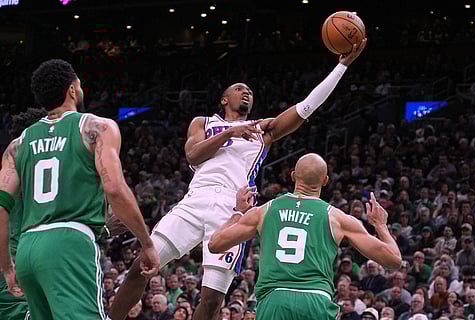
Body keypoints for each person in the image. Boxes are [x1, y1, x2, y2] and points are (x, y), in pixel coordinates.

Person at [109, 40, 367, 320]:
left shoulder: (261, 130)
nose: (246, 93)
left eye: (251, 92)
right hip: (195, 201)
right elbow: (193, 155)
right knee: (142, 265)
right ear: (224, 99)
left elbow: (307, 107)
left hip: (231, 210)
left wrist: (341, 66)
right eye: (239, 89)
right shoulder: (203, 122)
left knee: (211, 300)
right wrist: (229, 133)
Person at [0, 59, 160, 320]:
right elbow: (115, 188)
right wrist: (146, 241)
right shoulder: (96, 127)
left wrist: (7, 266)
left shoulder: (18, 144)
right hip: (70, 243)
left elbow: (1, 208)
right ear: (73, 89)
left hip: (28, 249)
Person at [208, 153, 401, 319]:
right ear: (325, 180)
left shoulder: (264, 211)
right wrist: (381, 226)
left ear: (292, 176)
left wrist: (238, 213)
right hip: (316, 300)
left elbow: (215, 244)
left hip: (275, 299)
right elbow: (393, 260)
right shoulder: (337, 217)